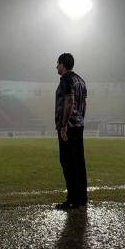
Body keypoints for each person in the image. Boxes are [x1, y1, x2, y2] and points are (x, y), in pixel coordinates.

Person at [54, 53, 88, 209]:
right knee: (79, 163)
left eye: (58, 64)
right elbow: (84, 104)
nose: (56, 67)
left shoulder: (66, 79)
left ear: (63, 65)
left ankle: (72, 199)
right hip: (79, 125)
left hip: (69, 127)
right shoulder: (81, 80)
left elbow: (69, 101)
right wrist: (80, 119)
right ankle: (82, 198)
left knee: (67, 162)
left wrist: (64, 125)